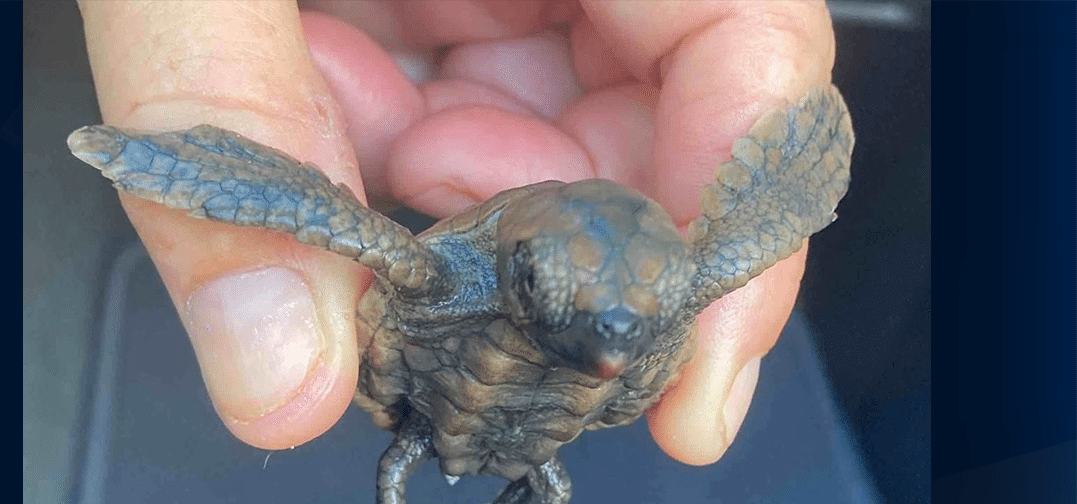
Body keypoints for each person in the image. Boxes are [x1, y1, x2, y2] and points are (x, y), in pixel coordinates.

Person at [74, 0, 840, 466]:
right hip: (437, 362)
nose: (608, 351)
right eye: (545, 289)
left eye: (650, 309)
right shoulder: (442, 275)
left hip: (516, 415)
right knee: (326, 220)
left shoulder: (675, 288)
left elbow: (789, 186)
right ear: (522, 267)